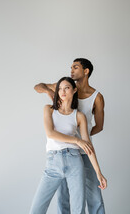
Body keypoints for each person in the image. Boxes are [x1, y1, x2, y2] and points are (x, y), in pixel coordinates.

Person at [34, 58, 106, 214]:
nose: (71, 70)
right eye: (71, 67)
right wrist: (50, 93)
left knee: (93, 195)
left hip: (82, 151)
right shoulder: (63, 88)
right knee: (63, 197)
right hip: (61, 152)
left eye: (75, 67)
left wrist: (81, 140)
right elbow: (38, 86)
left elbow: (99, 126)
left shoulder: (96, 98)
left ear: (86, 71)